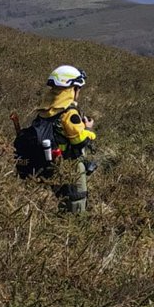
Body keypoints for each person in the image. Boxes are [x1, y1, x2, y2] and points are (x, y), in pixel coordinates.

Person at [33, 65, 97, 213]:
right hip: (69, 165)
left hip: (50, 164)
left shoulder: (45, 110)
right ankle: (73, 230)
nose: (78, 92)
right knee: (76, 200)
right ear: (72, 89)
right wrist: (88, 129)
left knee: (59, 198)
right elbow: (79, 141)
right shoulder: (69, 113)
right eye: (78, 88)